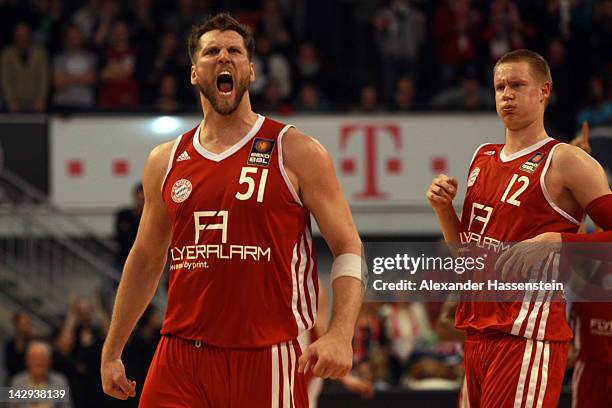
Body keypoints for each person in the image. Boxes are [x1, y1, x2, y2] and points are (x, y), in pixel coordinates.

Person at [101, 13, 364, 407]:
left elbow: (348, 247)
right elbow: (146, 257)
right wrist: (112, 349)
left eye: (234, 51)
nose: (223, 58)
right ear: (193, 73)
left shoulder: (296, 151)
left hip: (266, 354)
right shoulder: (165, 160)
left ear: (250, 70)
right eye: (211, 52)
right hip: (181, 353)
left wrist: (341, 333)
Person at [427, 49, 612, 407]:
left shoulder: (567, 160)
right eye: (499, 87)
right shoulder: (482, 156)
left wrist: (563, 243)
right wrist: (443, 210)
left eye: (516, 85)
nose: (506, 94)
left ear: (544, 91)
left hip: (527, 335)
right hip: (478, 335)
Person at [9, 341, 72, 408]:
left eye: (42, 358)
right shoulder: (16, 382)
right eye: (34, 358)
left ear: (49, 361)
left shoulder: (60, 382)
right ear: (27, 361)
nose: (38, 362)